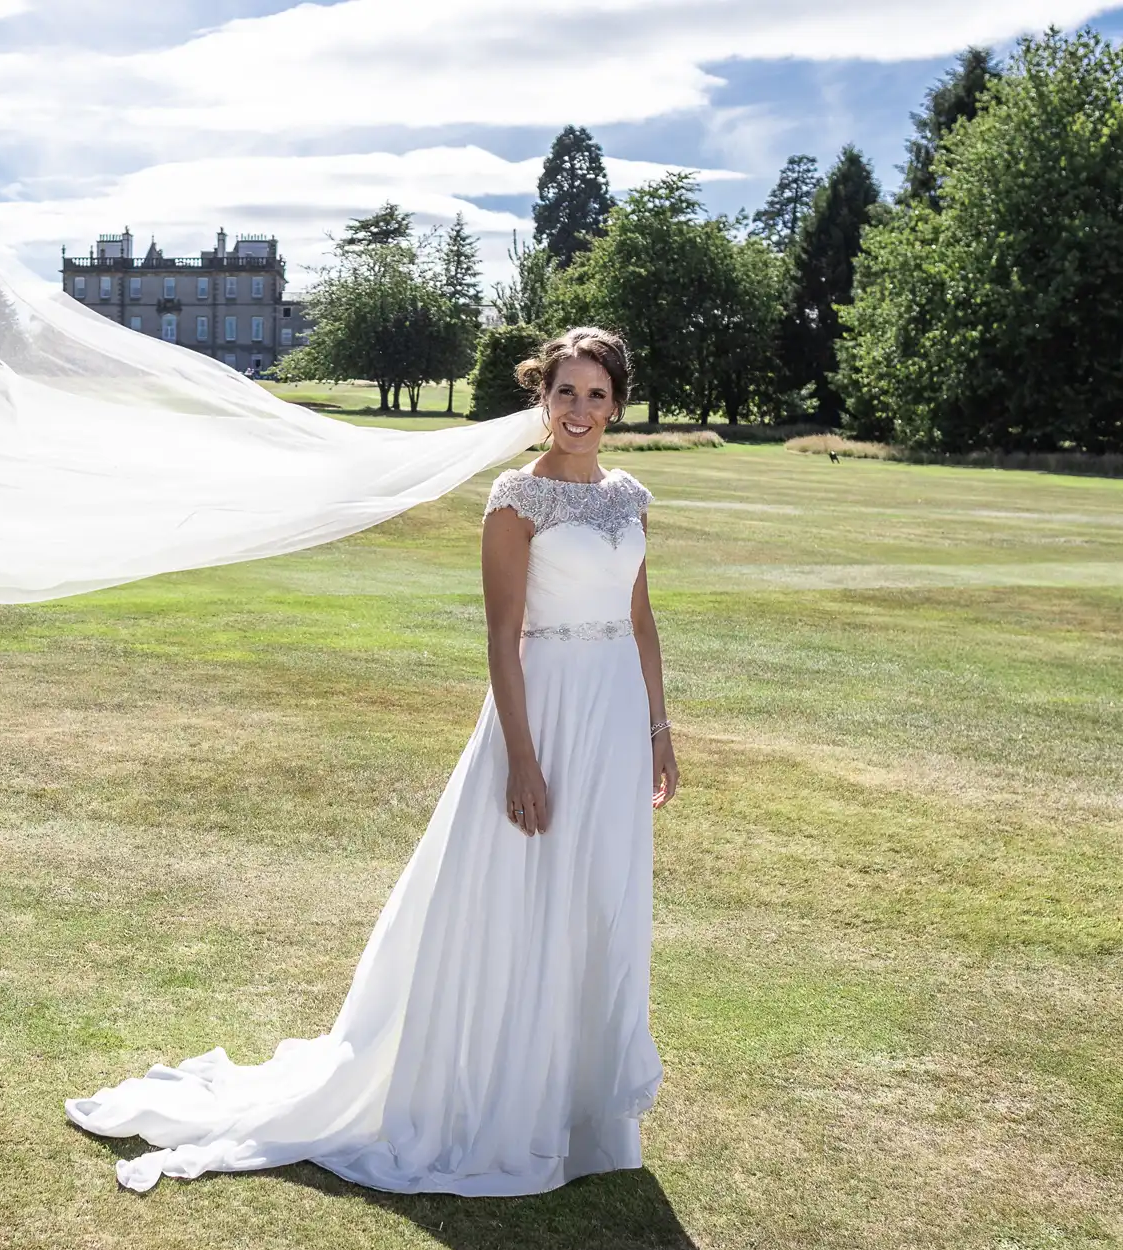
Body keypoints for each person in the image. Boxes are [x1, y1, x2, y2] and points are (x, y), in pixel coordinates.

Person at [67, 327, 681, 1195]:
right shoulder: (515, 499)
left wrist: (659, 730)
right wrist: (522, 759)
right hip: (542, 709)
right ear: (540, 401)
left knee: (597, 895)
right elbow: (503, 635)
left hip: (613, 717)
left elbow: (642, 620)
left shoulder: (630, 499)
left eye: (594, 394)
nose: (578, 410)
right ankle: (502, 1100)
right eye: (563, 393)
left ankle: (582, 1108)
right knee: (521, 896)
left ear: (617, 403)